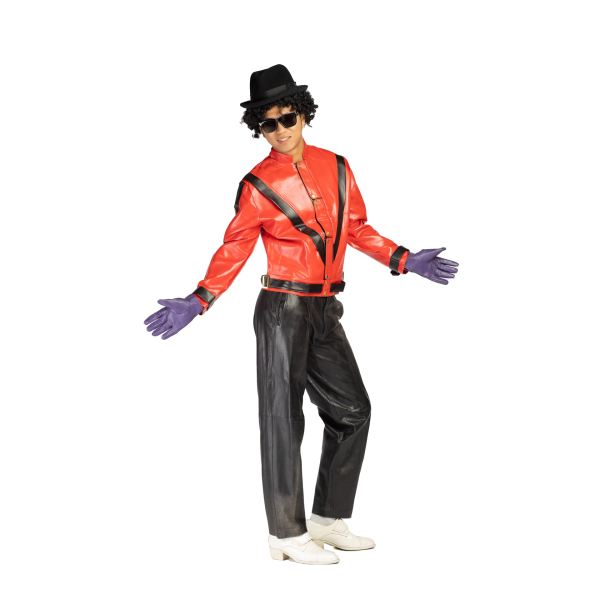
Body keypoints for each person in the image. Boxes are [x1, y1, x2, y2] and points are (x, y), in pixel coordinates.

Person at [144, 64, 459, 565]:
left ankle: (327, 520)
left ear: (303, 114)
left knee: (353, 411)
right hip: (282, 310)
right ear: (258, 128)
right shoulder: (257, 184)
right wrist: (200, 298)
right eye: (268, 123)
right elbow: (235, 246)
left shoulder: (337, 166)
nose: (280, 130)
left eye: (287, 118)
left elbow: (356, 228)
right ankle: (285, 535)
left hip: (325, 308)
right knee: (282, 419)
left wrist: (402, 258)